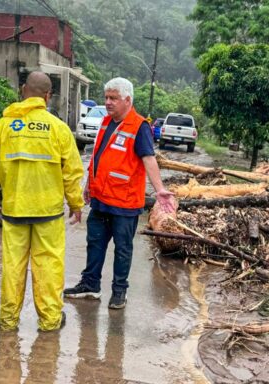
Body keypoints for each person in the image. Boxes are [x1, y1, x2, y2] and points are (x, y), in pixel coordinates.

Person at [0, 71, 84, 332]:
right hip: (48, 212)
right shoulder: (58, 129)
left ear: (23, 90)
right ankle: (49, 321)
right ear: (48, 96)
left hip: (15, 209)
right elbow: (72, 171)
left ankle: (7, 319)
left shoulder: (4, 126)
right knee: (48, 266)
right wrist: (75, 203)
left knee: (13, 266)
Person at [64, 77, 175, 309]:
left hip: (124, 204)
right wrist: (88, 185)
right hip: (101, 200)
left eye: (113, 98)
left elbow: (148, 158)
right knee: (94, 243)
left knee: (123, 249)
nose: (108, 102)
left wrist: (160, 189)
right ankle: (90, 285)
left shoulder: (139, 126)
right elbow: (98, 156)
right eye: (106, 97)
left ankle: (119, 291)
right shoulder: (106, 122)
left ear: (127, 100)